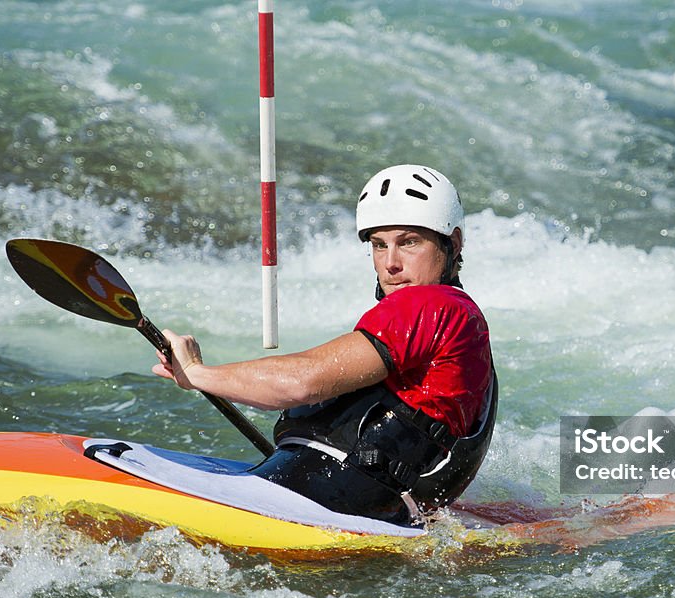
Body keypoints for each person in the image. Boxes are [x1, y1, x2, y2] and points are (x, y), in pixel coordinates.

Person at [152, 165, 497, 525]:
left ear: (452, 243)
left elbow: (300, 383)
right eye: (379, 245)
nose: (391, 263)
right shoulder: (466, 329)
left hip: (322, 502)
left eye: (409, 242)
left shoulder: (431, 305)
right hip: (362, 512)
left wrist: (195, 372)